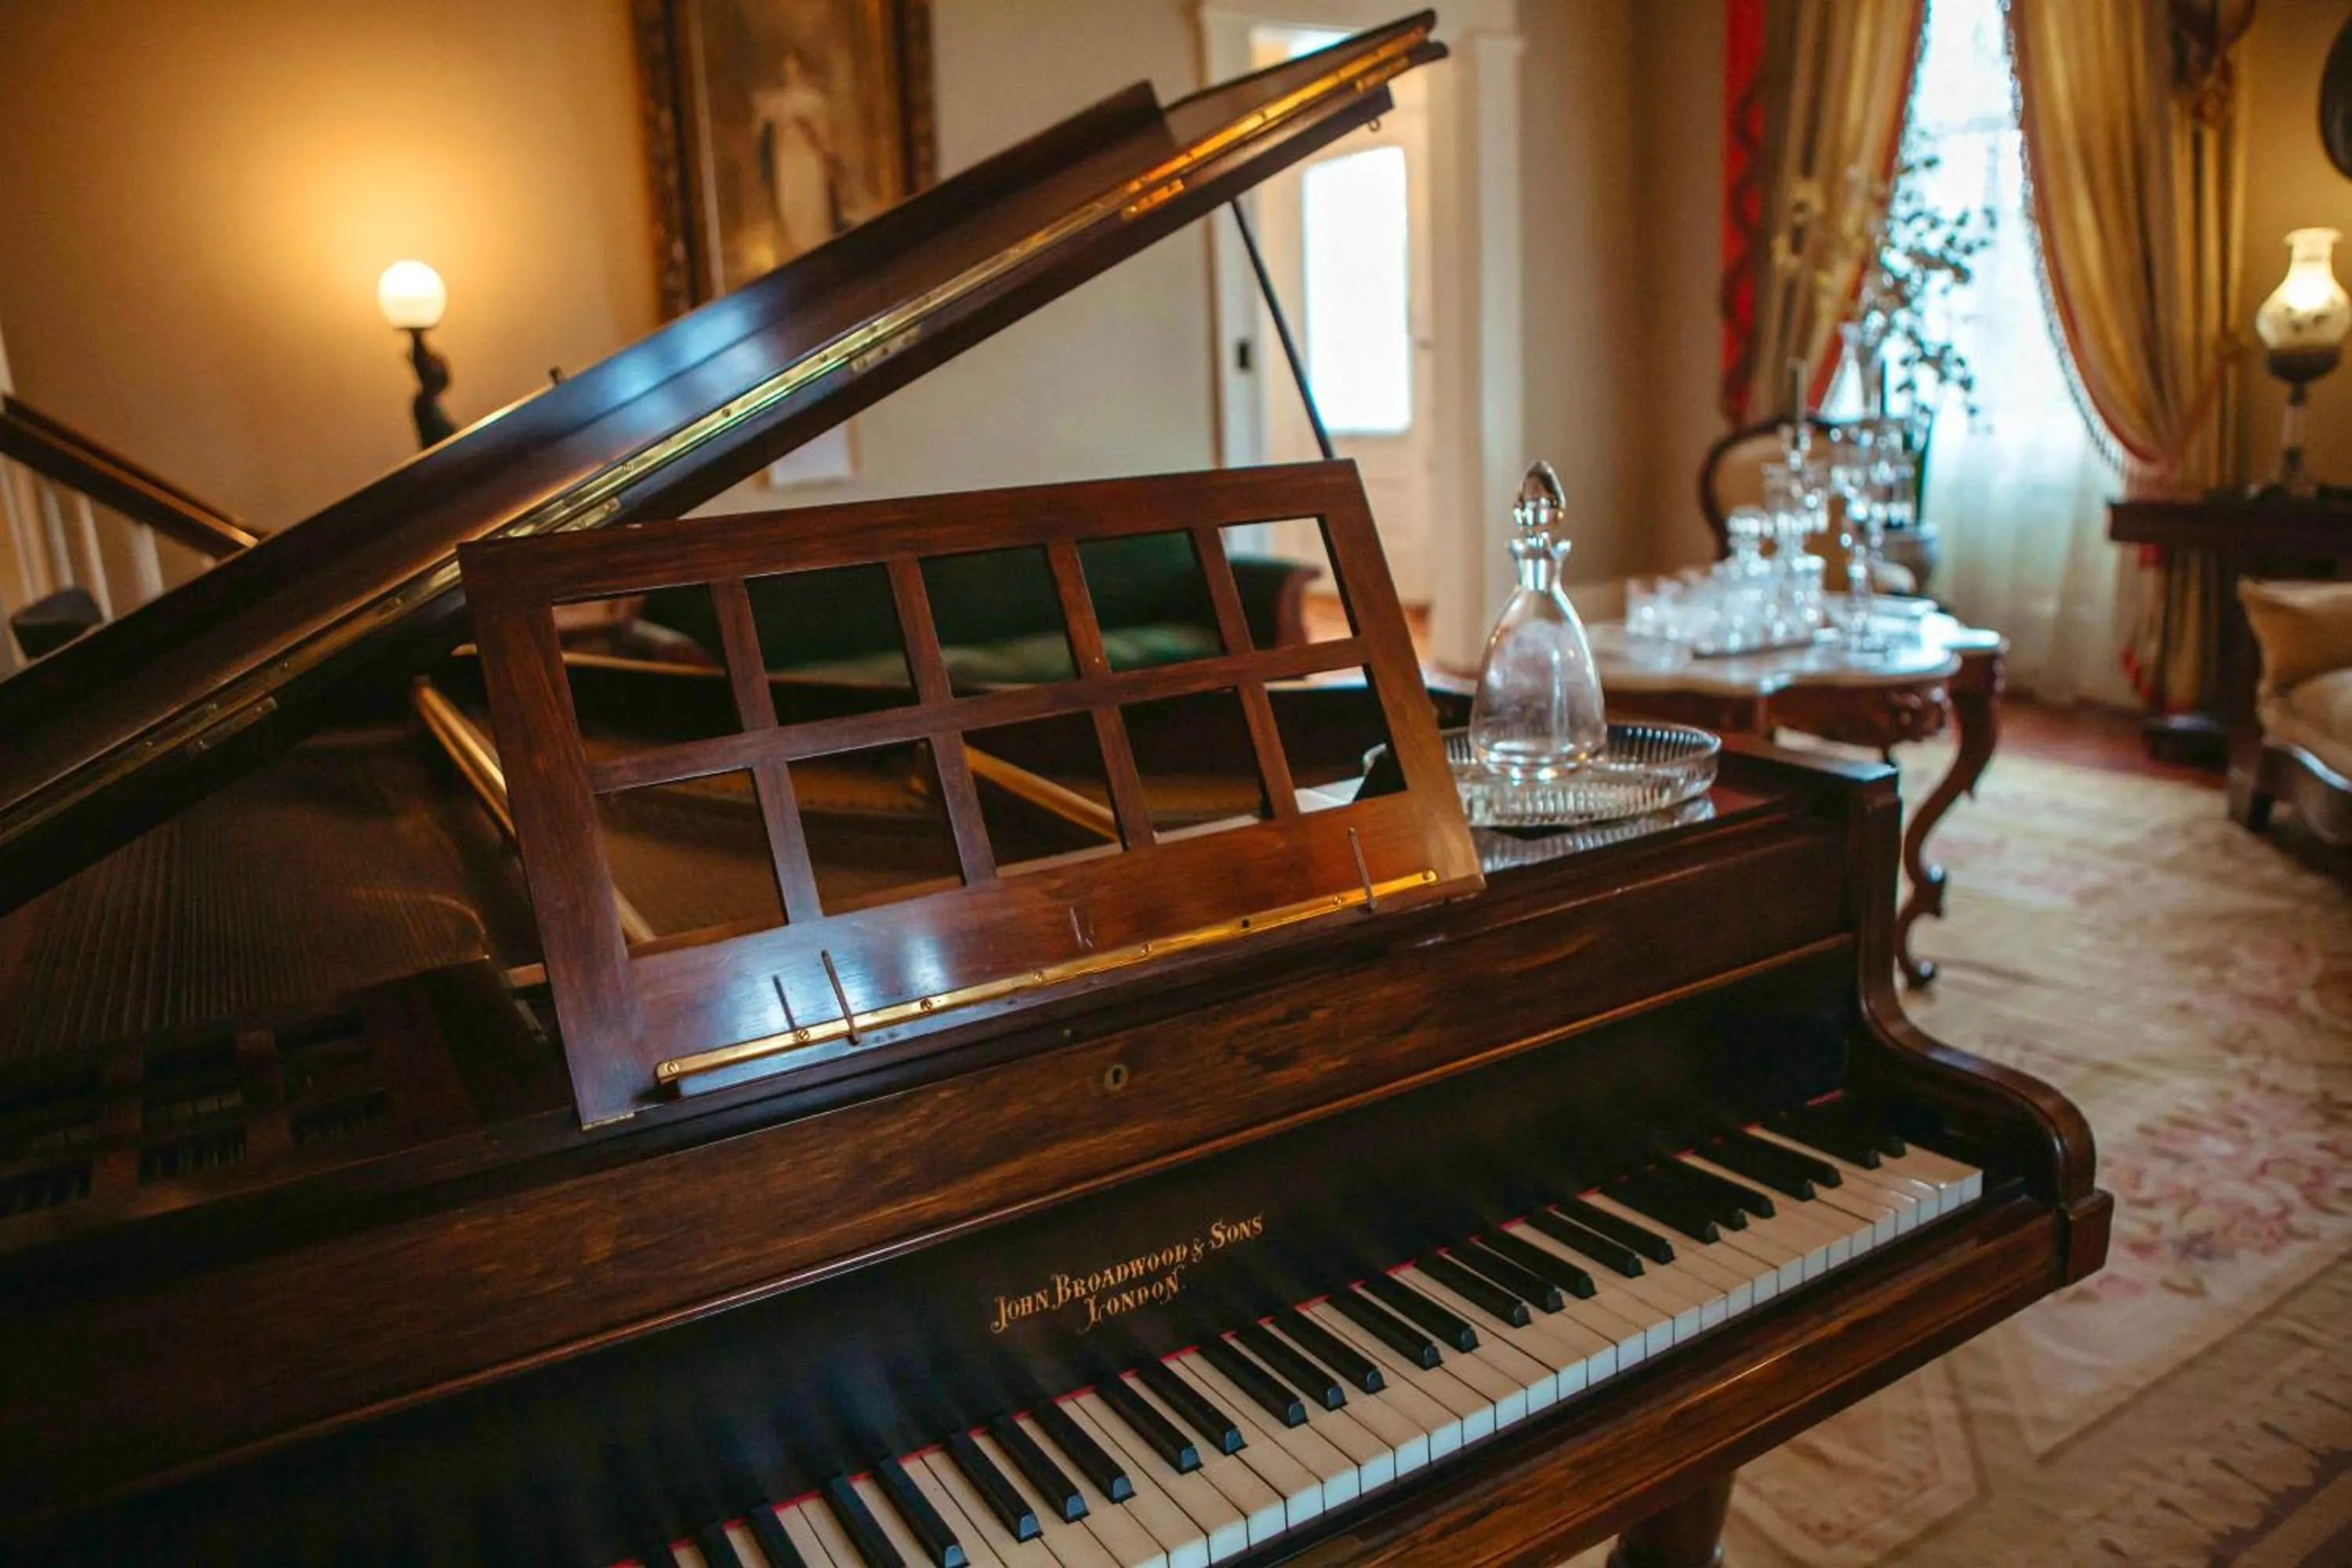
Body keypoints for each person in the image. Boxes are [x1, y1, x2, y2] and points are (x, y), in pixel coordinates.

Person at [753, 53, 840, 262]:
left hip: (808, 161)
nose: (791, 73)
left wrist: (826, 156)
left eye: (795, 68)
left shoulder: (813, 99)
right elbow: (762, 124)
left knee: (813, 210)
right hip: (788, 162)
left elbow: (823, 134)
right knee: (792, 208)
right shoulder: (777, 101)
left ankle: (817, 255)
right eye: (787, 69)